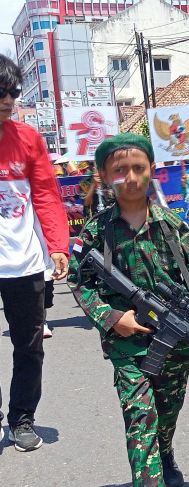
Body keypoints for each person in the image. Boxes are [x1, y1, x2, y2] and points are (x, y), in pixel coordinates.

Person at [67, 133, 189, 486]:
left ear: (152, 170)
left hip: (176, 339)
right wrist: (112, 318)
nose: (131, 177)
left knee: (167, 411)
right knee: (141, 417)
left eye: (139, 168)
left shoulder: (173, 226)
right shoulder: (97, 231)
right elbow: (79, 281)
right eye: (120, 169)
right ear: (105, 176)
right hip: (127, 344)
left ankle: (165, 450)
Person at [0, 54, 69, 451]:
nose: (9, 99)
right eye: (1, 92)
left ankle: (22, 418)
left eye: (13, 91)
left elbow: (46, 194)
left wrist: (58, 246)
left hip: (24, 264)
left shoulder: (28, 138)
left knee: (29, 347)